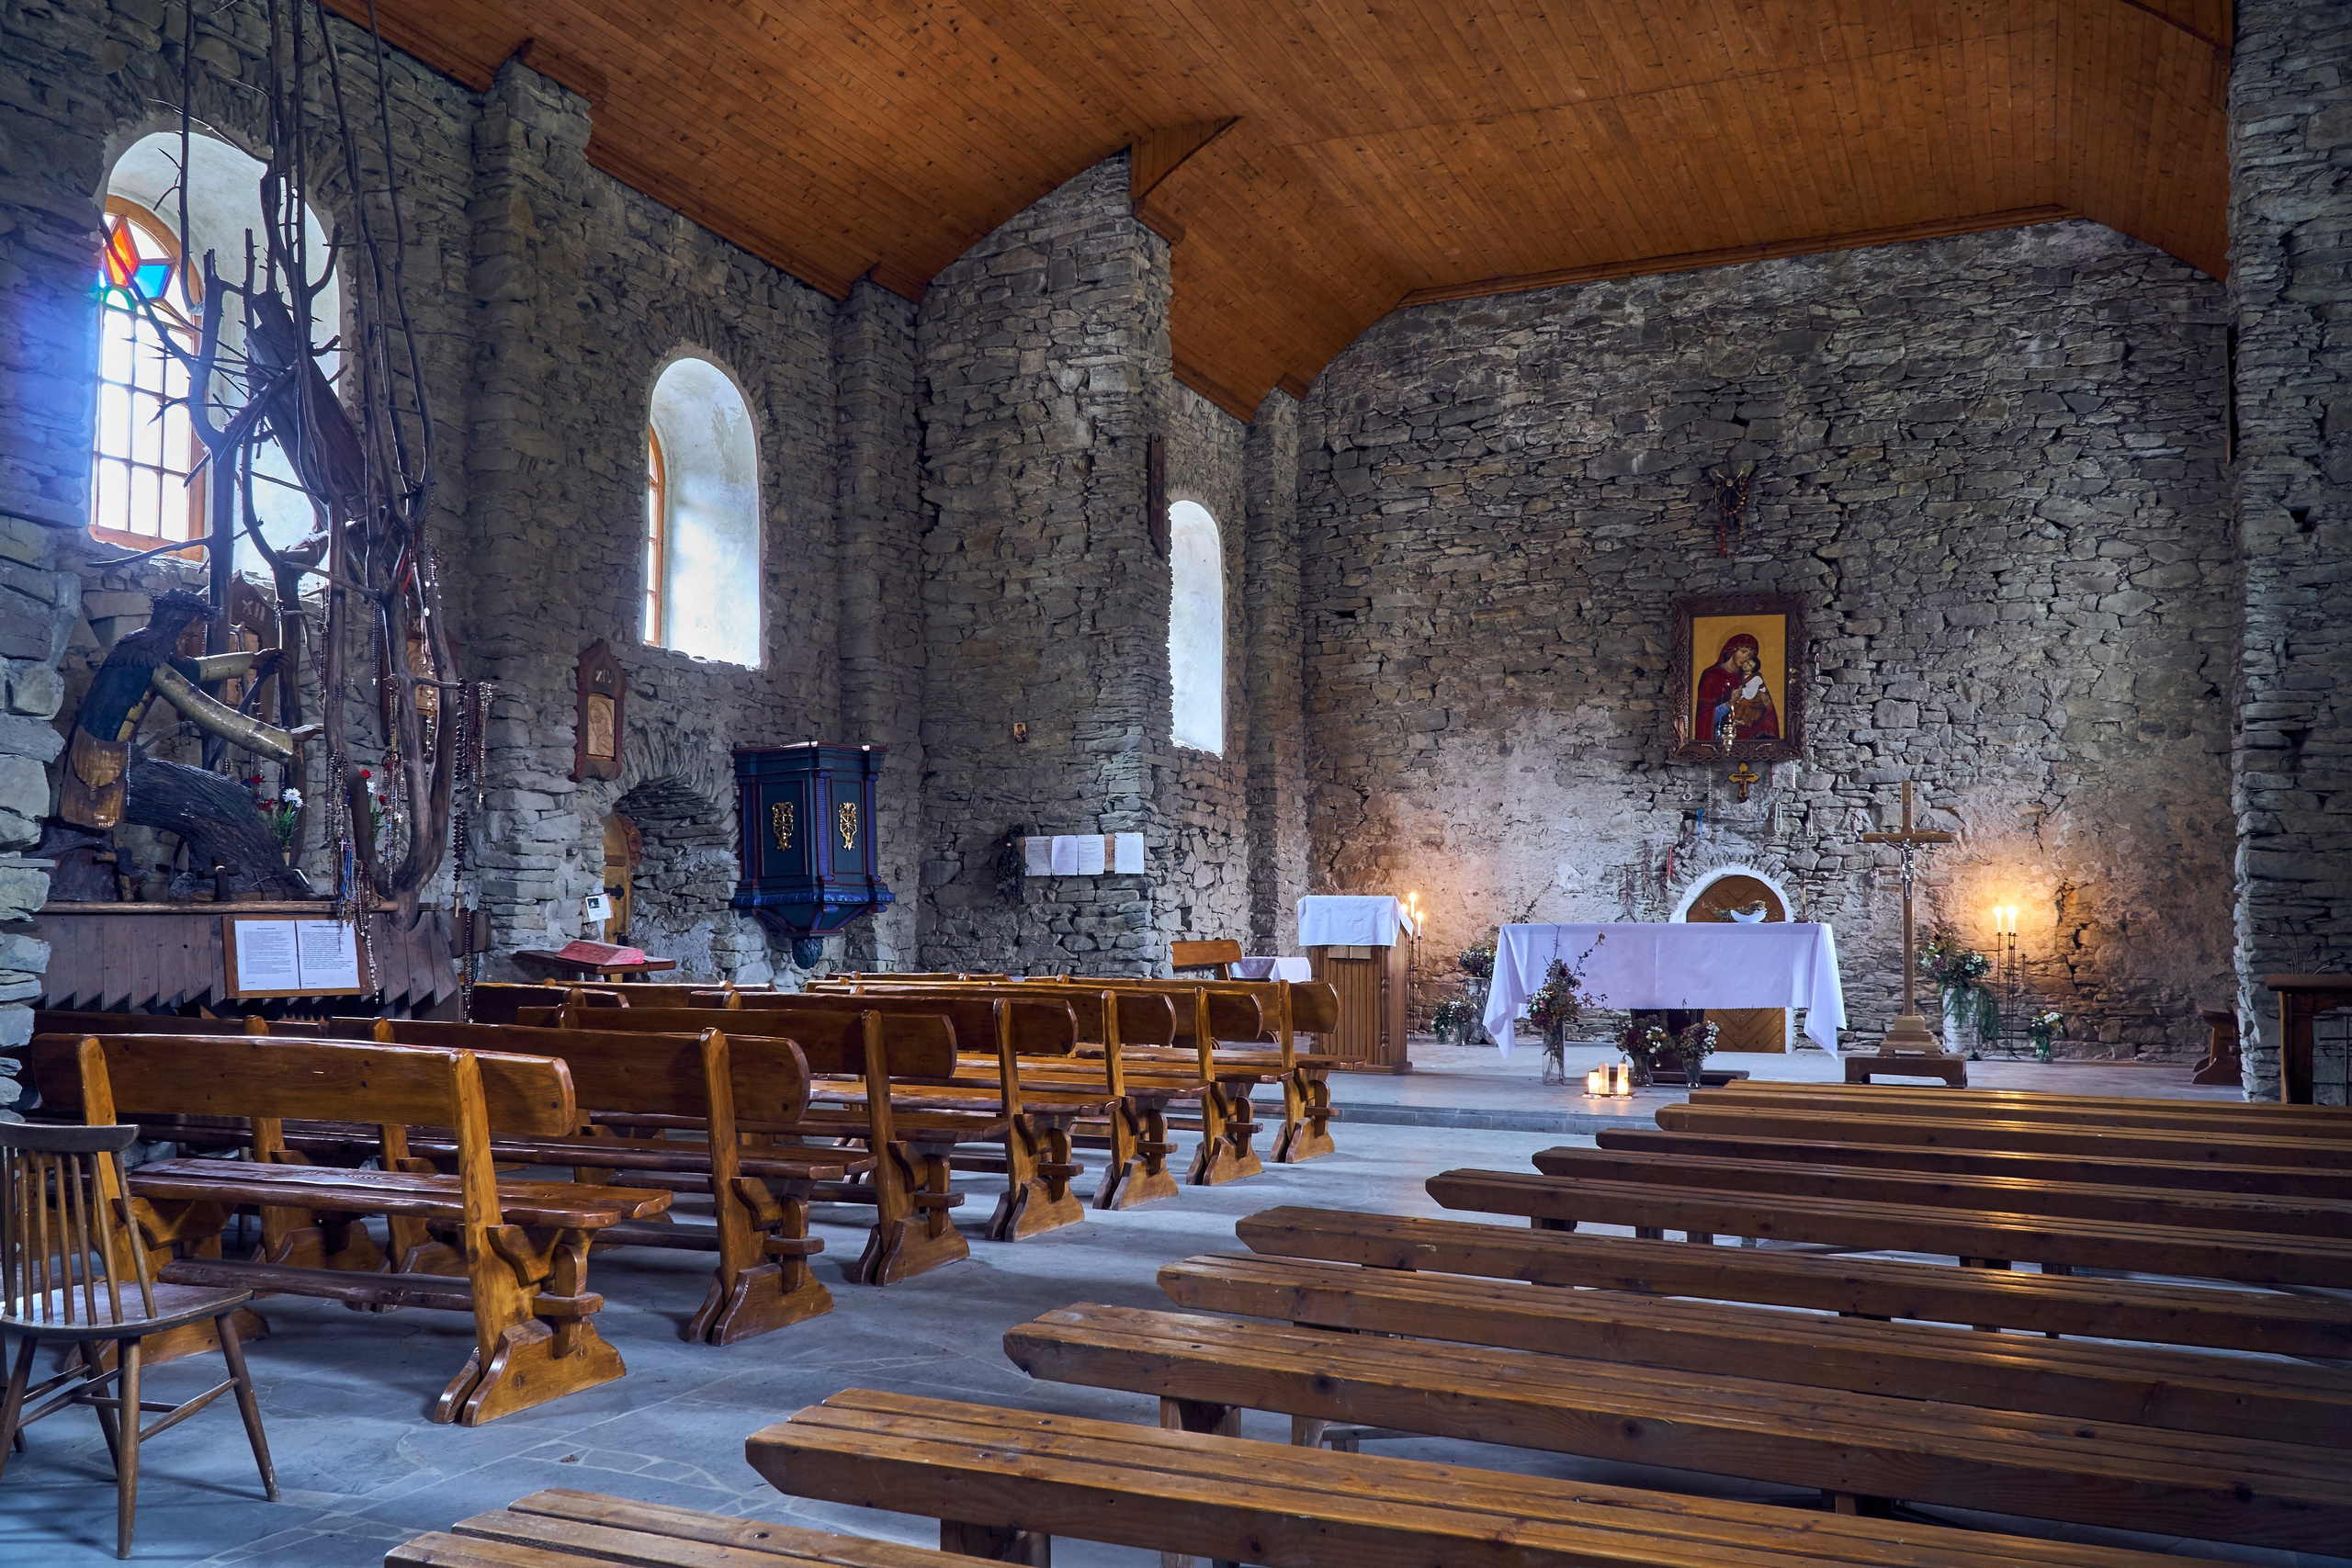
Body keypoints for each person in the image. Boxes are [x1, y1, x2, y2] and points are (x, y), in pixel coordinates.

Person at [1694, 632, 1779, 744]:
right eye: (1743, 652)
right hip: (1720, 737)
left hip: (1750, 739)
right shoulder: (1712, 676)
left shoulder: (1750, 678)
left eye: (1749, 656)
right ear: (1732, 650)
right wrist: (1730, 703)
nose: (1745, 658)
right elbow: (1704, 718)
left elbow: (1767, 711)